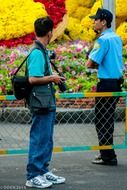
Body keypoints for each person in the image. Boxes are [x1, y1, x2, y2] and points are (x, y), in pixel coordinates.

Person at [26, 16, 66, 188]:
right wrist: (53, 78)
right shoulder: (36, 53)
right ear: (50, 32)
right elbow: (33, 79)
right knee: (39, 138)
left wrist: (52, 78)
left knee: (46, 139)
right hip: (40, 102)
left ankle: (43, 171)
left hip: (46, 101)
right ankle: (33, 175)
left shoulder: (42, 50)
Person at [86, 8, 124, 166]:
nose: (94, 22)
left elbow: (89, 64)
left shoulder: (102, 40)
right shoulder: (116, 38)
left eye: (96, 19)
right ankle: (108, 154)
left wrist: (92, 63)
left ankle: (107, 156)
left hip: (106, 83)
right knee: (108, 118)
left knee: (102, 119)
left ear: (103, 22)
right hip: (116, 82)